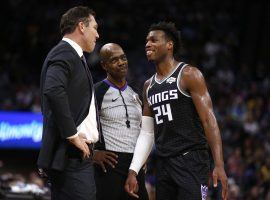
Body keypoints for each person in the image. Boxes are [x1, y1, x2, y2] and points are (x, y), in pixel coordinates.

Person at [125, 22, 228, 200]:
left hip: (192, 160)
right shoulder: (148, 85)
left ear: (169, 45)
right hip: (164, 164)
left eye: (153, 40)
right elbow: (147, 133)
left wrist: (219, 164)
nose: (147, 44)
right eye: (146, 41)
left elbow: (209, 121)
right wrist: (133, 169)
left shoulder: (189, 74)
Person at [37, 6, 99, 200]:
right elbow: (53, 91)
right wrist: (72, 135)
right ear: (81, 26)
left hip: (76, 158)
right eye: (95, 28)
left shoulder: (73, 55)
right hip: (71, 158)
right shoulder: (64, 52)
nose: (97, 35)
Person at [93, 43, 149, 200]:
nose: (121, 62)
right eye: (114, 60)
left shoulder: (135, 94)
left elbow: (144, 130)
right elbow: (80, 125)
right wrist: (92, 153)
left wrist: (143, 157)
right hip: (110, 164)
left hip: (135, 167)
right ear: (104, 65)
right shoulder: (96, 92)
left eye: (123, 58)